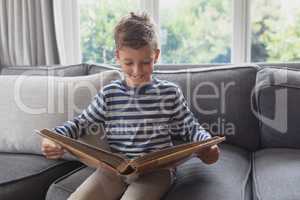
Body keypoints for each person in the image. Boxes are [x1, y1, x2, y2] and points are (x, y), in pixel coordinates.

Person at [41, 12, 220, 200]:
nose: (137, 71)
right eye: (129, 63)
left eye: (145, 62)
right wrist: (53, 139)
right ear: (117, 57)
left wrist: (207, 145)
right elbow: (80, 123)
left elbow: (190, 127)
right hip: (115, 170)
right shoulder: (109, 94)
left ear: (156, 55)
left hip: (157, 172)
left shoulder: (169, 93)